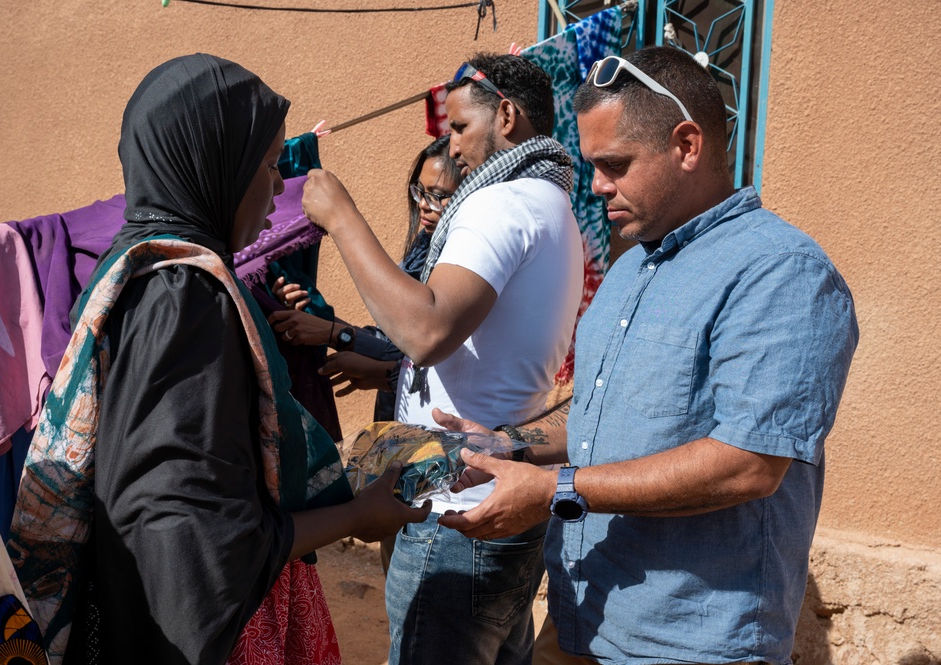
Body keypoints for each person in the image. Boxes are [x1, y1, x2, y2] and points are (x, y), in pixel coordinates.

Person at [433, 46, 859, 665]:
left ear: (687, 145)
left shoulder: (780, 271)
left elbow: (748, 464)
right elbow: (602, 417)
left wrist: (552, 489)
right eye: (593, 164)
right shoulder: (633, 267)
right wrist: (510, 446)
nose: (597, 184)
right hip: (580, 620)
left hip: (690, 642)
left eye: (615, 164)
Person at [7, 54, 430, 665]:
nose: (281, 185)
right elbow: (194, 534)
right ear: (214, 168)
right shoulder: (186, 297)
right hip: (220, 634)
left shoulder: (135, 271)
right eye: (267, 164)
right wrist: (356, 515)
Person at [301, 54, 585, 665]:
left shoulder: (501, 205)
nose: (450, 145)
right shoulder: (554, 206)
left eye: (458, 127)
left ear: (505, 115)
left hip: (455, 510)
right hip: (501, 494)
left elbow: (427, 332)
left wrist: (342, 217)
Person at [268, 135, 462, 422]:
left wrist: (335, 334)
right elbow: (390, 336)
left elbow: (420, 353)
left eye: (436, 195)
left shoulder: (459, 268)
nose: (422, 205)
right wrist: (314, 323)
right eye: (419, 192)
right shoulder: (421, 253)